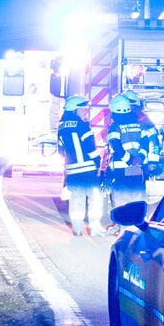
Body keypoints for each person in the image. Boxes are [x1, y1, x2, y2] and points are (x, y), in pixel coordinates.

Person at [57, 95, 105, 237]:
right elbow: (90, 148)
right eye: (82, 109)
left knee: (76, 199)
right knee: (94, 198)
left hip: (72, 170)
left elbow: (61, 150)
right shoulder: (83, 126)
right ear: (74, 110)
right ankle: (94, 228)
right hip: (88, 169)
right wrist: (98, 162)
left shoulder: (61, 127)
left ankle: (77, 229)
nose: (84, 112)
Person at [105, 93, 148, 209]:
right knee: (137, 196)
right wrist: (140, 158)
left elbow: (116, 146)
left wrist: (129, 160)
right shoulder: (139, 124)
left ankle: (122, 225)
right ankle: (137, 223)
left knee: (121, 200)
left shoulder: (114, 127)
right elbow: (146, 143)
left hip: (121, 168)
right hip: (136, 167)